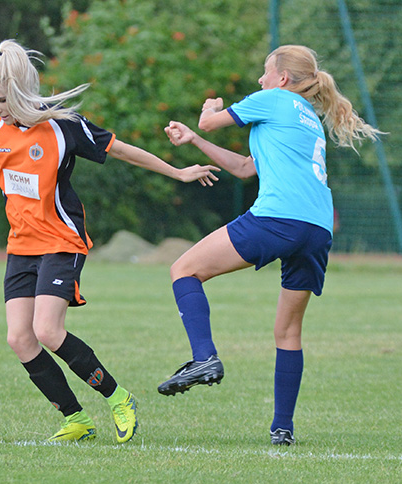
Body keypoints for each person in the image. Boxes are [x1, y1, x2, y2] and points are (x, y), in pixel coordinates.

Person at [0, 39, 219, 444]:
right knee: (19, 338)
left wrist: (178, 172)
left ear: (19, 92)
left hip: (61, 239)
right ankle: (75, 419)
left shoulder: (64, 125)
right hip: (21, 245)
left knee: (47, 330)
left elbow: (124, 151)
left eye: (0, 99)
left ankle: (118, 398)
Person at [159, 45, 383, 445]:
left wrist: (206, 112)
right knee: (288, 331)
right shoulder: (306, 118)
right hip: (317, 228)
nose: (260, 80)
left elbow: (212, 122)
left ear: (281, 79)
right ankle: (283, 429)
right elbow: (246, 168)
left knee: (183, 270)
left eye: (266, 72)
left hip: (279, 217)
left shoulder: (272, 99)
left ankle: (205, 357)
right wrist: (194, 140)